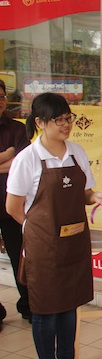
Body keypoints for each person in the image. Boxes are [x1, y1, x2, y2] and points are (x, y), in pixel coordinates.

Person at [5, 92, 102, 359]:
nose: (66, 125)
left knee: (69, 305)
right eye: (58, 120)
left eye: (68, 118)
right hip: (43, 245)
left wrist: (97, 196)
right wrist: (34, 231)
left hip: (74, 240)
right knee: (45, 309)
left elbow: (84, 193)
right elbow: (13, 207)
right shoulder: (28, 158)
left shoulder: (76, 152)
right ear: (39, 122)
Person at [0, 79, 31, 322]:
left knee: (21, 255)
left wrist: (12, 157)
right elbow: (13, 160)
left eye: (1, 96)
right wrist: (6, 155)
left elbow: (22, 163)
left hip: (13, 205)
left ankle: (29, 306)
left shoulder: (17, 128)